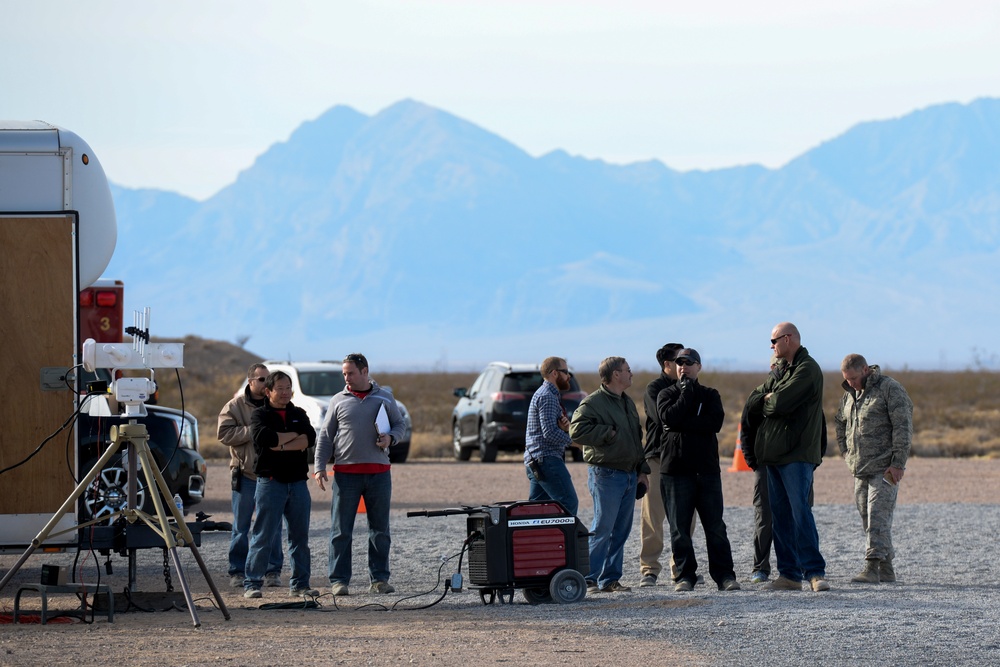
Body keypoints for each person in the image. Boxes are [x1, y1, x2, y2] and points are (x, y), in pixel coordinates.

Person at [745, 322, 829, 592]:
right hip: (774, 455)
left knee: (800, 512)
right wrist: (768, 397)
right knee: (780, 515)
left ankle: (814, 572)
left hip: (796, 454)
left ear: (788, 338)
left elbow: (779, 402)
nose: (771, 346)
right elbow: (754, 399)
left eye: (774, 341)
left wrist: (771, 399)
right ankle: (789, 575)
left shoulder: (807, 369)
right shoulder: (782, 370)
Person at [314, 353, 406, 596]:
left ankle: (379, 579)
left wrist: (391, 438)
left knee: (379, 530)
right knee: (341, 530)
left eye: (351, 373)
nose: (347, 378)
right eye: (344, 374)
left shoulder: (385, 398)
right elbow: (325, 435)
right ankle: (339, 581)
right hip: (346, 475)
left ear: (365, 372)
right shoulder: (338, 400)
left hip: (379, 474)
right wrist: (319, 466)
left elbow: (399, 425)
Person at [656, 348, 739, 592]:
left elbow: (714, 423)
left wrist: (681, 423)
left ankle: (725, 576)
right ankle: (685, 577)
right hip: (675, 471)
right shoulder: (665, 394)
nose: (684, 367)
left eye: (689, 363)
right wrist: (685, 394)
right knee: (679, 529)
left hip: (707, 472)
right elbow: (669, 417)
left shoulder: (711, 395)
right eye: (679, 363)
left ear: (699, 367)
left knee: (715, 527)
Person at [569, 356, 648, 594]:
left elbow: (636, 438)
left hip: (629, 475)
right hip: (606, 475)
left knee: (621, 531)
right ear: (616, 374)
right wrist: (608, 434)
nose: (631, 373)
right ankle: (589, 578)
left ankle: (610, 579)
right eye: (627, 370)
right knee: (603, 528)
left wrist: (642, 471)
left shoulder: (626, 402)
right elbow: (576, 430)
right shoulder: (593, 403)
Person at [835, 354, 913, 584]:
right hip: (860, 469)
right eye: (846, 380)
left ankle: (871, 567)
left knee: (878, 516)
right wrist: (846, 453)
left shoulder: (890, 389)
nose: (851, 383)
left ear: (865, 370)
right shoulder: (850, 395)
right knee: (868, 518)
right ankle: (887, 567)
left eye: (853, 378)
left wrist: (898, 463)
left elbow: (903, 427)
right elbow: (840, 422)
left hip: (885, 468)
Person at [243, 371, 318, 599]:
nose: (285, 393)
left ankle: (300, 585)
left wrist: (282, 443)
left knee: (299, 537)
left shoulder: (299, 413)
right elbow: (266, 439)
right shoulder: (260, 415)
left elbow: (310, 437)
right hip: (271, 483)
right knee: (263, 534)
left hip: (297, 484)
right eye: (280, 389)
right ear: (268, 391)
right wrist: (292, 438)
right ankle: (253, 583)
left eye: (288, 388)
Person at [217, 363, 284, 588]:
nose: (267, 383)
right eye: (262, 379)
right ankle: (237, 571)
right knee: (242, 526)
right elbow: (223, 433)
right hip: (245, 474)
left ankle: (273, 571)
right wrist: (252, 431)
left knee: (272, 525)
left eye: (269, 379)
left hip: (272, 474)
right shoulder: (234, 406)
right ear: (251, 382)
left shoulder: (275, 403)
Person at [638, 343, 684, 587]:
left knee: (684, 517)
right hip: (657, 457)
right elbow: (663, 417)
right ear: (667, 364)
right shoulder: (654, 388)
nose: (684, 364)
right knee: (653, 516)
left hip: (683, 459)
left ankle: (680, 568)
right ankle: (650, 569)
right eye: (679, 360)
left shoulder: (691, 385)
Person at [739, 356, 785, 584]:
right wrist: (752, 461)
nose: (782, 367)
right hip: (765, 465)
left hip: (794, 464)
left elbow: (816, 427)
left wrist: (812, 461)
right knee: (764, 517)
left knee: (797, 515)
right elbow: (746, 428)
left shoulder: (800, 391)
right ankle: (760, 567)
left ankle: (793, 568)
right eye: (778, 363)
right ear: (771, 366)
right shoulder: (758, 395)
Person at [524, 356, 578, 515]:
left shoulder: (549, 395)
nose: (569, 376)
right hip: (546, 459)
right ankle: (565, 539)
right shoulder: (547, 396)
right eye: (566, 372)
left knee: (536, 511)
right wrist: (576, 443)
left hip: (538, 460)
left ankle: (534, 539)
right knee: (568, 502)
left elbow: (548, 430)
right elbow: (549, 434)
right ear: (554, 373)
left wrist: (564, 428)